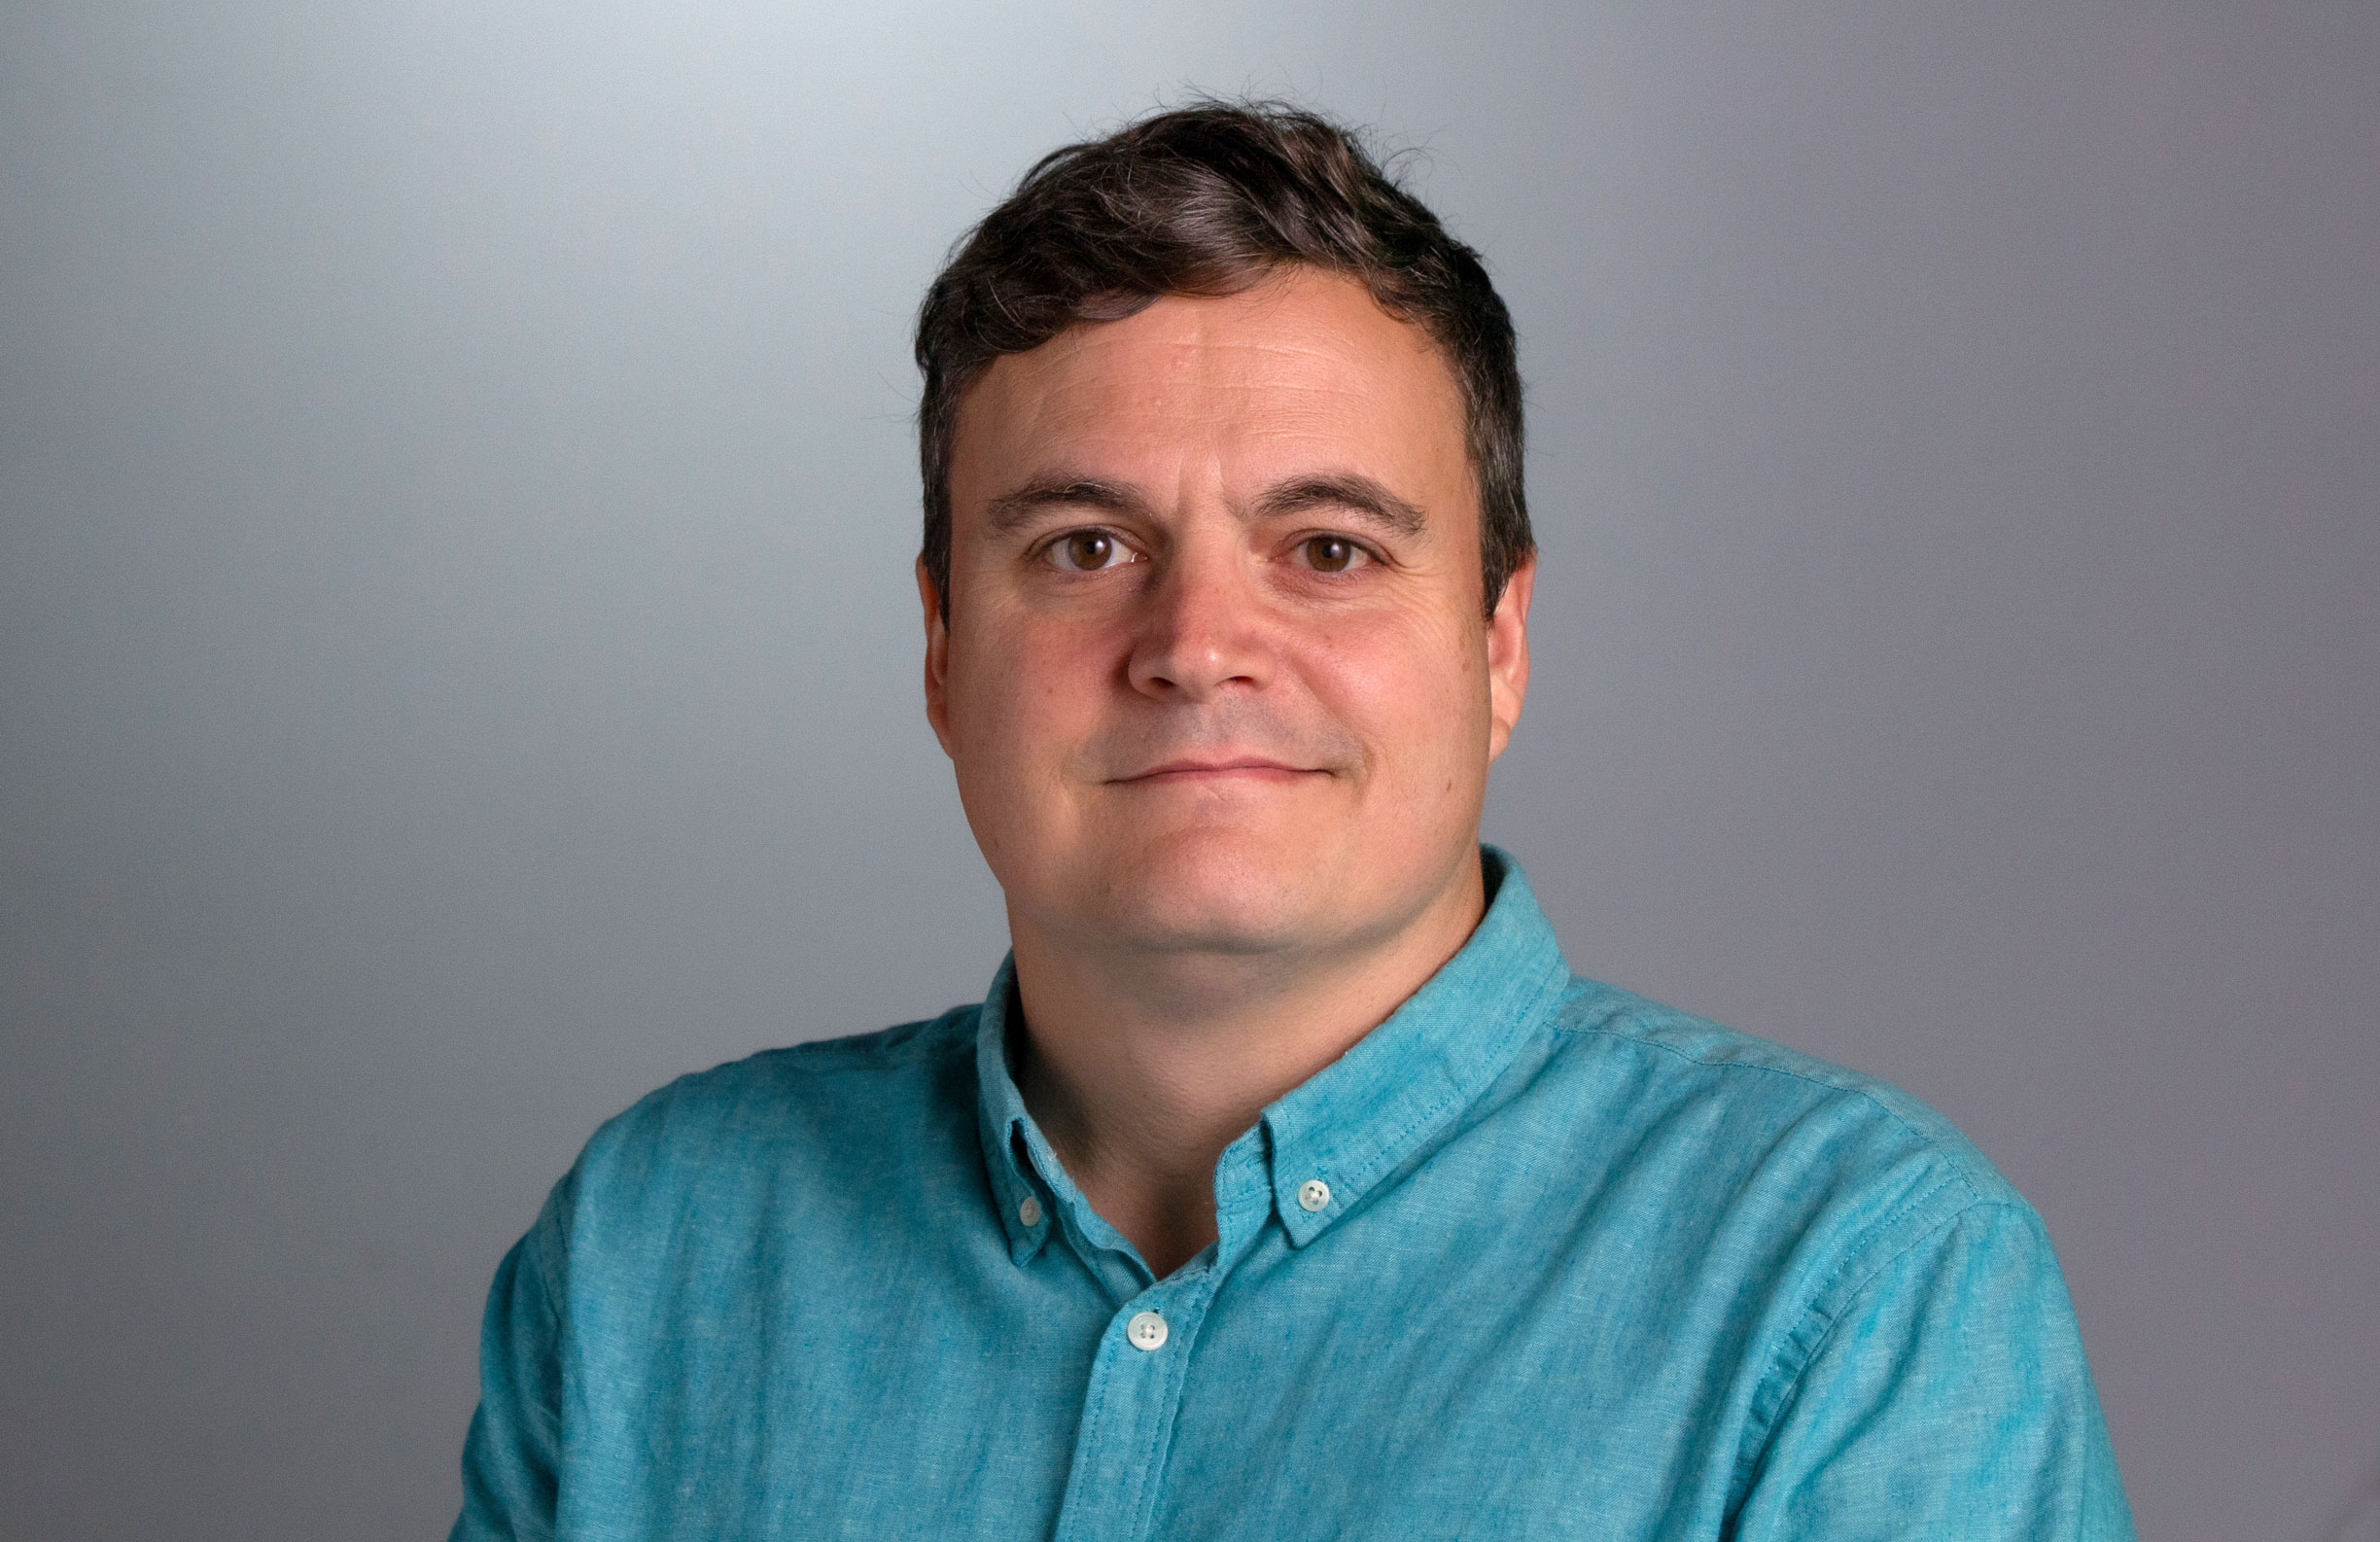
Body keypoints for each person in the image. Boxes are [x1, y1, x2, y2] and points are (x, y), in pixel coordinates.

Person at [450, 100, 2135, 1540]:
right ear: (944, 652)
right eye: (1084, 547)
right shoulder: (654, 1257)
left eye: (1328, 547)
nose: (1194, 648)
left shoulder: (1855, 1296)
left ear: (1496, 645)